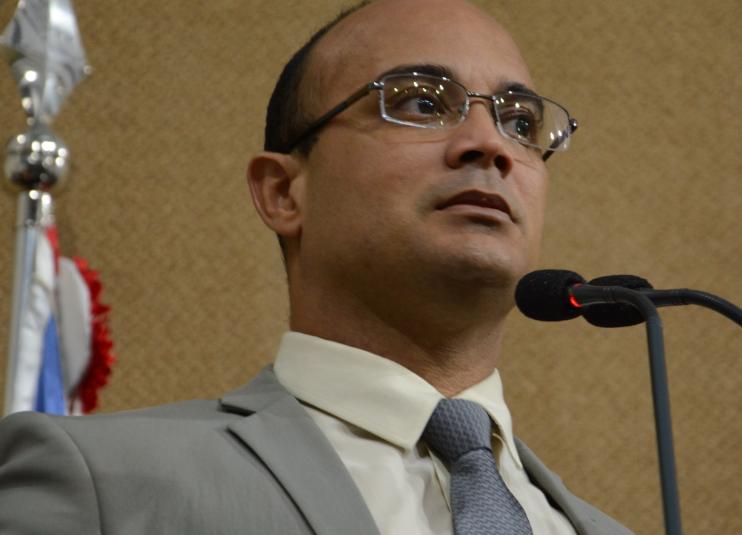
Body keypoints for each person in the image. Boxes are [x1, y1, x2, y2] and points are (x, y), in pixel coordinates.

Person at [0, 0, 633, 533]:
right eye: (420, 103)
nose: (491, 144)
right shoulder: (102, 483)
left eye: (520, 121)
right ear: (283, 192)